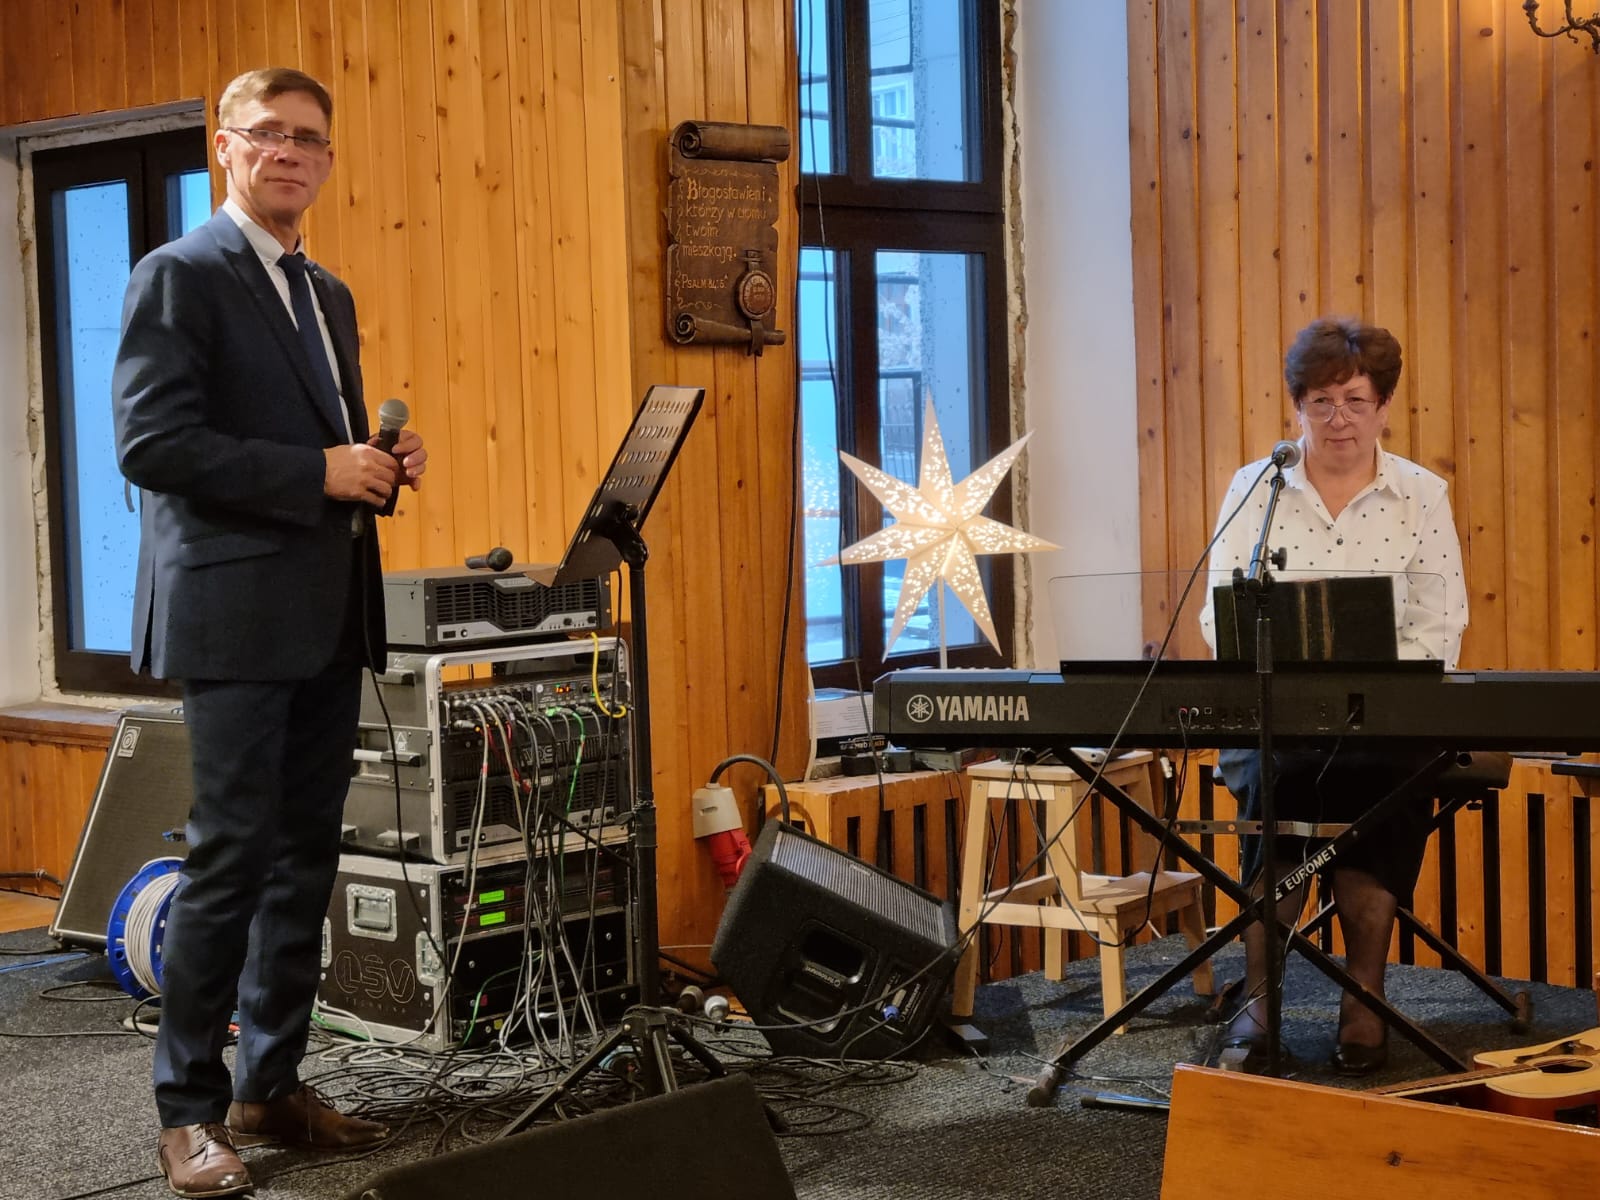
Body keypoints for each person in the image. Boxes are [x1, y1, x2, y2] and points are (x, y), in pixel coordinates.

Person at [112, 67, 427, 1198]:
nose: (289, 152)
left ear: (327, 161)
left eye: (308, 139)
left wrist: (377, 466)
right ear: (225, 147)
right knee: (232, 861)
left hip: (326, 611)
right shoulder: (178, 274)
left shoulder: (325, 291)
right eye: (267, 135)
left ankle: (270, 1086)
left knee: (305, 862)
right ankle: (188, 1114)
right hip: (232, 618)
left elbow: (320, 448)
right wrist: (317, 471)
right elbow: (151, 445)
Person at [1198, 316, 1468, 1075]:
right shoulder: (1255, 488)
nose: (1338, 418)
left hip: (1384, 718)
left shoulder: (1421, 495)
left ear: (1383, 408)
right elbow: (1219, 608)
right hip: (1278, 713)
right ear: (1298, 407)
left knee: (1380, 796)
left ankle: (1364, 998)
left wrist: (1375, 695)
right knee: (1272, 792)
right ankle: (1260, 1003)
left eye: (1354, 401)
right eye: (1321, 401)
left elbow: (1440, 619)